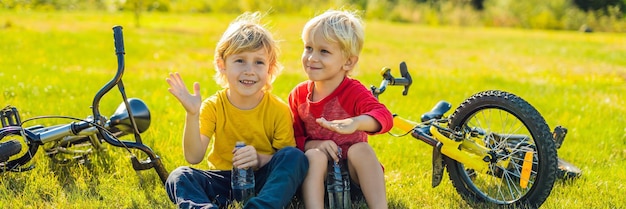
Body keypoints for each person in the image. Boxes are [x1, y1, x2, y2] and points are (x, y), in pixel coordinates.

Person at [165, 12, 308, 209]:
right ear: (222, 65)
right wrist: (192, 114)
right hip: (223, 181)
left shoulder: (278, 110)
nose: (249, 70)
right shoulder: (213, 106)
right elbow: (193, 157)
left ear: (270, 69)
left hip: (263, 182)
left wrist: (258, 159)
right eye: (240, 60)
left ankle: (261, 206)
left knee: (295, 157)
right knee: (179, 176)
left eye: (259, 62)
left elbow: (285, 163)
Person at [288, 9, 393, 209]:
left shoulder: (353, 91)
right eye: (308, 48)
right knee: (314, 156)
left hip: (355, 179)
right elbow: (292, 139)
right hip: (318, 178)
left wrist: (356, 122)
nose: (311, 58)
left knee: (361, 149)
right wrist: (315, 145)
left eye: (324, 51)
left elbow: (384, 116)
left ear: (348, 62)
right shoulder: (299, 95)